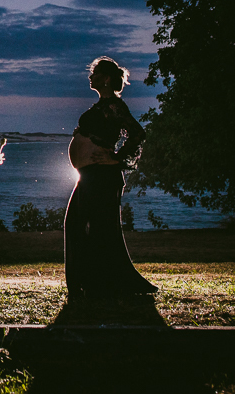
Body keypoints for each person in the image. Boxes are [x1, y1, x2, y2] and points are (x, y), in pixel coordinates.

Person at [64, 56, 157, 300]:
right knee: (76, 224)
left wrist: (117, 159)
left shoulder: (115, 105)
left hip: (103, 176)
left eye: (94, 73)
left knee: (98, 229)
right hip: (89, 175)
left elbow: (137, 133)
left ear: (105, 79)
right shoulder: (100, 107)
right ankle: (87, 282)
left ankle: (98, 284)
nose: (90, 77)